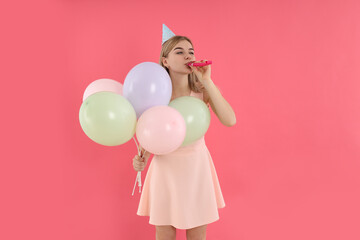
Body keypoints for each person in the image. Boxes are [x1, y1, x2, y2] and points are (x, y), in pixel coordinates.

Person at [133, 35, 236, 240]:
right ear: (165, 61)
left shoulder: (202, 92)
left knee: (197, 233)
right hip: (165, 169)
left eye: (191, 52)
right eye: (179, 52)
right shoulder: (156, 97)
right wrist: (139, 158)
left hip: (196, 169)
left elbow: (230, 119)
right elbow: (149, 133)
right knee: (164, 232)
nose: (188, 56)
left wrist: (207, 81)